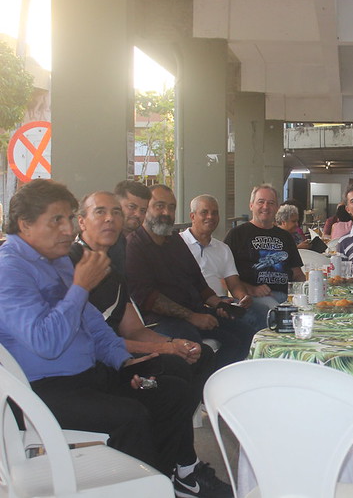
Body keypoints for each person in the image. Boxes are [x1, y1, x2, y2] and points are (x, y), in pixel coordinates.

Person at [0, 180, 222, 494]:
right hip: (43, 391)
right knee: (131, 416)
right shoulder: (10, 269)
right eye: (57, 220)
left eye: (68, 218)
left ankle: (163, 479)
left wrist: (125, 362)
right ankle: (147, 486)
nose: (66, 229)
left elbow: (94, 325)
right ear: (25, 224)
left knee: (171, 390)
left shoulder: (59, 261)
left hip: (88, 375)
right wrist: (80, 288)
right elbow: (45, 343)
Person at [68, 191, 230, 497]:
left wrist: (174, 344)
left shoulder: (112, 269)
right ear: (81, 221)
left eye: (117, 213)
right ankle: (176, 469)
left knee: (196, 357)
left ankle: (175, 468)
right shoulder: (71, 264)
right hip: (96, 368)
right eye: (101, 212)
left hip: (117, 356)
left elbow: (135, 329)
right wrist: (167, 348)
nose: (111, 219)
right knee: (174, 385)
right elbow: (92, 339)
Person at [126, 184, 257, 369]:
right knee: (195, 345)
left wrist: (217, 303)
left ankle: (216, 384)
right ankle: (204, 387)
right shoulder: (134, 245)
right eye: (159, 205)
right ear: (145, 208)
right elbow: (148, 298)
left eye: (171, 207)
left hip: (194, 311)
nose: (166, 212)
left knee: (245, 334)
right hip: (160, 320)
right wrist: (192, 317)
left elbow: (197, 281)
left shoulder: (174, 240)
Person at [179, 194, 267, 330]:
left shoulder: (223, 248)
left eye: (215, 213)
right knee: (246, 328)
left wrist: (243, 297)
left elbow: (233, 283)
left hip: (223, 302)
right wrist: (215, 303)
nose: (210, 217)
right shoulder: (178, 244)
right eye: (204, 212)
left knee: (263, 313)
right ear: (192, 216)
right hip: (193, 304)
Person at [224, 184, 305, 308]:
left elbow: (297, 274)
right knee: (275, 309)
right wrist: (252, 290)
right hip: (254, 298)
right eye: (260, 202)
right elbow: (223, 278)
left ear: (277, 208)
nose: (266, 207)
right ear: (251, 205)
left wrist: (306, 295)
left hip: (286, 296)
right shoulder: (236, 234)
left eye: (271, 203)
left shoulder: (285, 236)